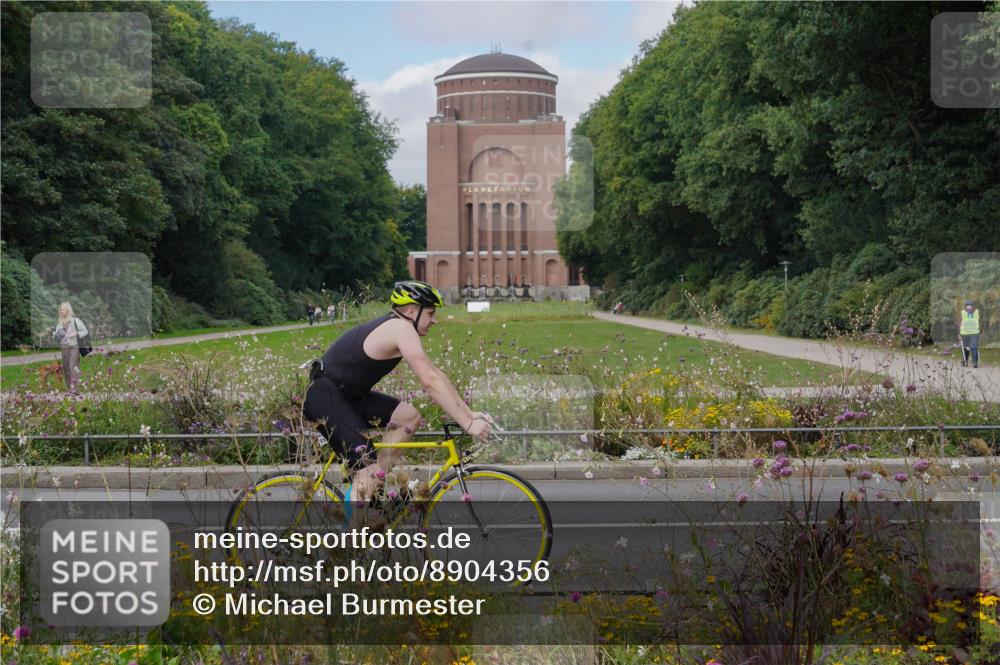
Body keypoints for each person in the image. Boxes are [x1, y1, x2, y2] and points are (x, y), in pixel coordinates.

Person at [303, 281, 495, 502]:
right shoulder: (401, 328)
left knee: (408, 417)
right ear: (412, 311)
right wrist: (467, 424)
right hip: (325, 397)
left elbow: (435, 374)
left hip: (348, 396)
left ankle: (375, 485)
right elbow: (429, 382)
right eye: (430, 313)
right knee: (367, 471)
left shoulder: (400, 327)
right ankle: (357, 513)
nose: (434, 320)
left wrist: (469, 414)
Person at [52, 302, 88, 394]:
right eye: (61, 309)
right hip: (64, 347)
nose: (62, 311)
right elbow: (56, 335)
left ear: (68, 310)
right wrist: (54, 335)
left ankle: (75, 388)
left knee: (73, 366)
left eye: (64, 309)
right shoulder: (59, 323)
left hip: (74, 346)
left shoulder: (76, 320)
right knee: (66, 367)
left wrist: (76, 333)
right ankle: (70, 389)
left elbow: (85, 331)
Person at [959, 299, 981, 368]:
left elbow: (979, 321)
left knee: (971, 347)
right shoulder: (964, 312)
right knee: (969, 347)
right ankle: (968, 361)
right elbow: (959, 323)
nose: (969, 307)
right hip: (968, 333)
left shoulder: (975, 312)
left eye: (970, 306)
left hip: (971, 333)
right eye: (967, 306)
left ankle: (972, 362)